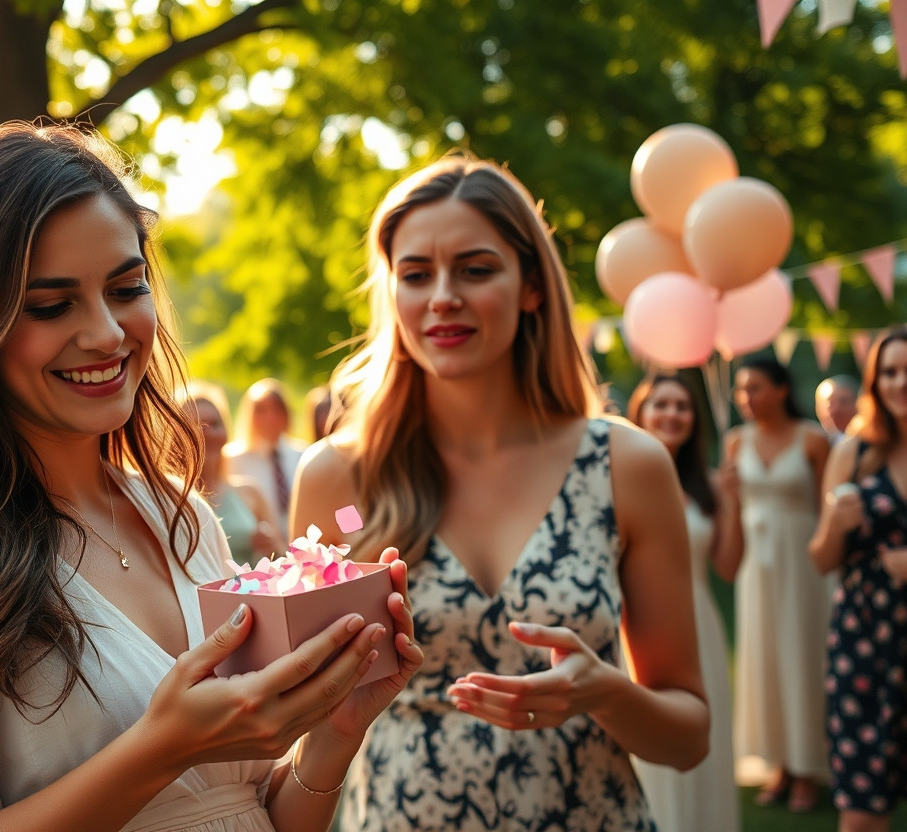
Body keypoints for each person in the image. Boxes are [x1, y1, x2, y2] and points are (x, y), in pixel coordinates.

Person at [0, 122, 422, 832]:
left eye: (126, 288)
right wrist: (160, 750)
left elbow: (241, 813)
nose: (105, 333)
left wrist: (333, 734)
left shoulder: (181, 518)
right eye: (50, 304)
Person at [292, 156, 709, 831]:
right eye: (416, 274)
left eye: (476, 269)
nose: (443, 296)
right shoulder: (339, 481)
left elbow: (689, 738)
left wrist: (604, 693)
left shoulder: (625, 463)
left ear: (532, 288)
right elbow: (305, 718)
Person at [808, 330, 907, 832]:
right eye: (889, 372)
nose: (902, 382)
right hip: (865, 647)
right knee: (859, 815)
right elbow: (822, 559)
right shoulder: (853, 453)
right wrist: (835, 520)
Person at [628, 374, 742, 832]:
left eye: (682, 406)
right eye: (662, 405)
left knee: (699, 736)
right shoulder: (621, 479)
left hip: (699, 624)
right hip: (636, 624)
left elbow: (730, 569)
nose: (672, 414)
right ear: (641, 412)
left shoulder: (710, 485)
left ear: (695, 420)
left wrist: (732, 504)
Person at [726, 356, 832, 812]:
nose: (747, 398)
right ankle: (778, 764)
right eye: (741, 390)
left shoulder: (813, 438)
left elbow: (830, 506)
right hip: (754, 564)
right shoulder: (734, 442)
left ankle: (809, 767)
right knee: (763, 658)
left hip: (802, 561)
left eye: (756, 388)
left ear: (782, 389)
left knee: (803, 656)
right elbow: (729, 509)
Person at [180, 383, 285, 564]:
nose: (208, 433)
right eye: (196, 425)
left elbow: (283, 557)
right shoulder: (169, 499)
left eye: (215, 424)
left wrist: (272, 546)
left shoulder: (250, 491)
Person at [224, 379, 307, 526]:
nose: (270, 417)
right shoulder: (232, 460)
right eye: (261, 410)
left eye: (277, 409)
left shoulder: (303, 454)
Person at [816, 375, 860, 442]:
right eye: (829, 403)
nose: (836, 410)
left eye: (844, 402)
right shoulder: (811, 442)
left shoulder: (868, 441)